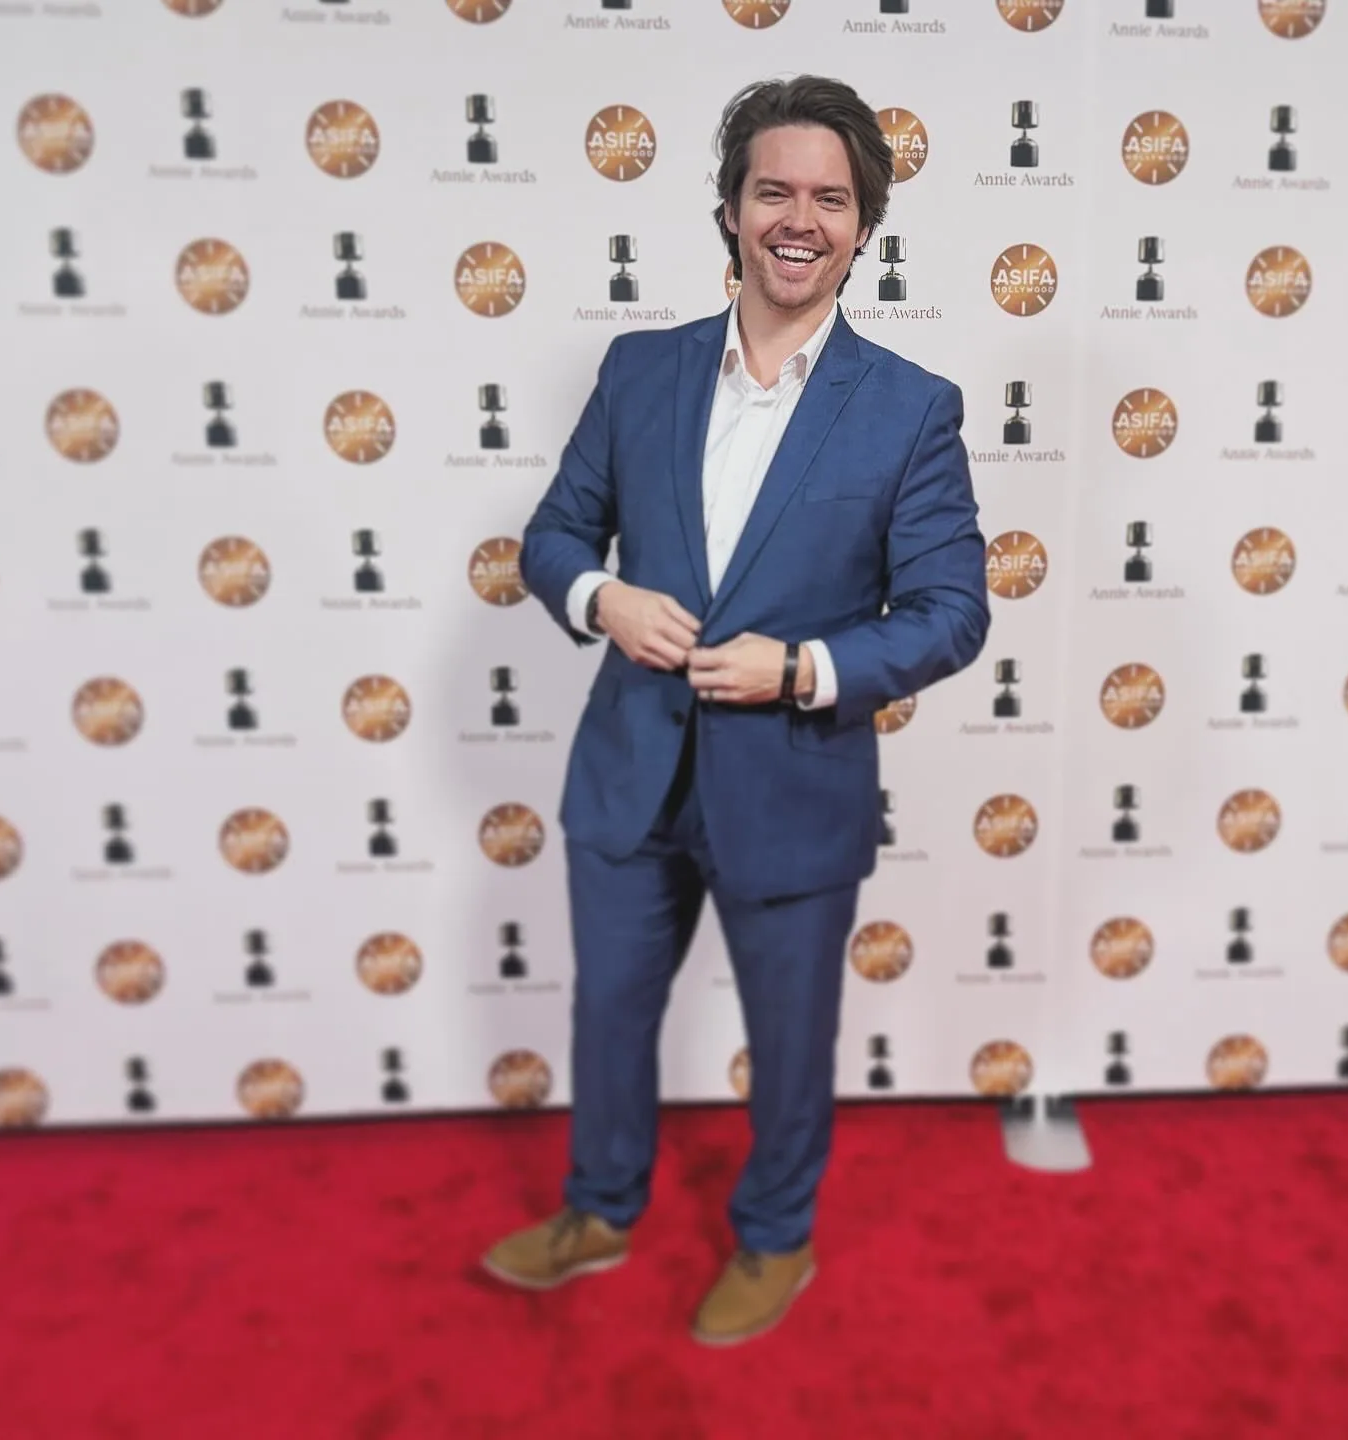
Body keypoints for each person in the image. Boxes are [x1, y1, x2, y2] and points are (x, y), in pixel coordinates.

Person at [484, 75, 990, 1346]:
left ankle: (775, 1238)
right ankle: (599, 1209)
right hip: (629, 774)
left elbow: (951, 612)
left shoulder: (910, 407)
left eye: (831, 198)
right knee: (609, 1015)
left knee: (791, 1037)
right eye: (775, 191)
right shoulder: (639, 370)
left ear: (863, 227)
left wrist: (804, 668)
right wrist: (601, 597)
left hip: (794, 783)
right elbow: (553, 538)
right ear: (730, 209)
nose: (799, 219)